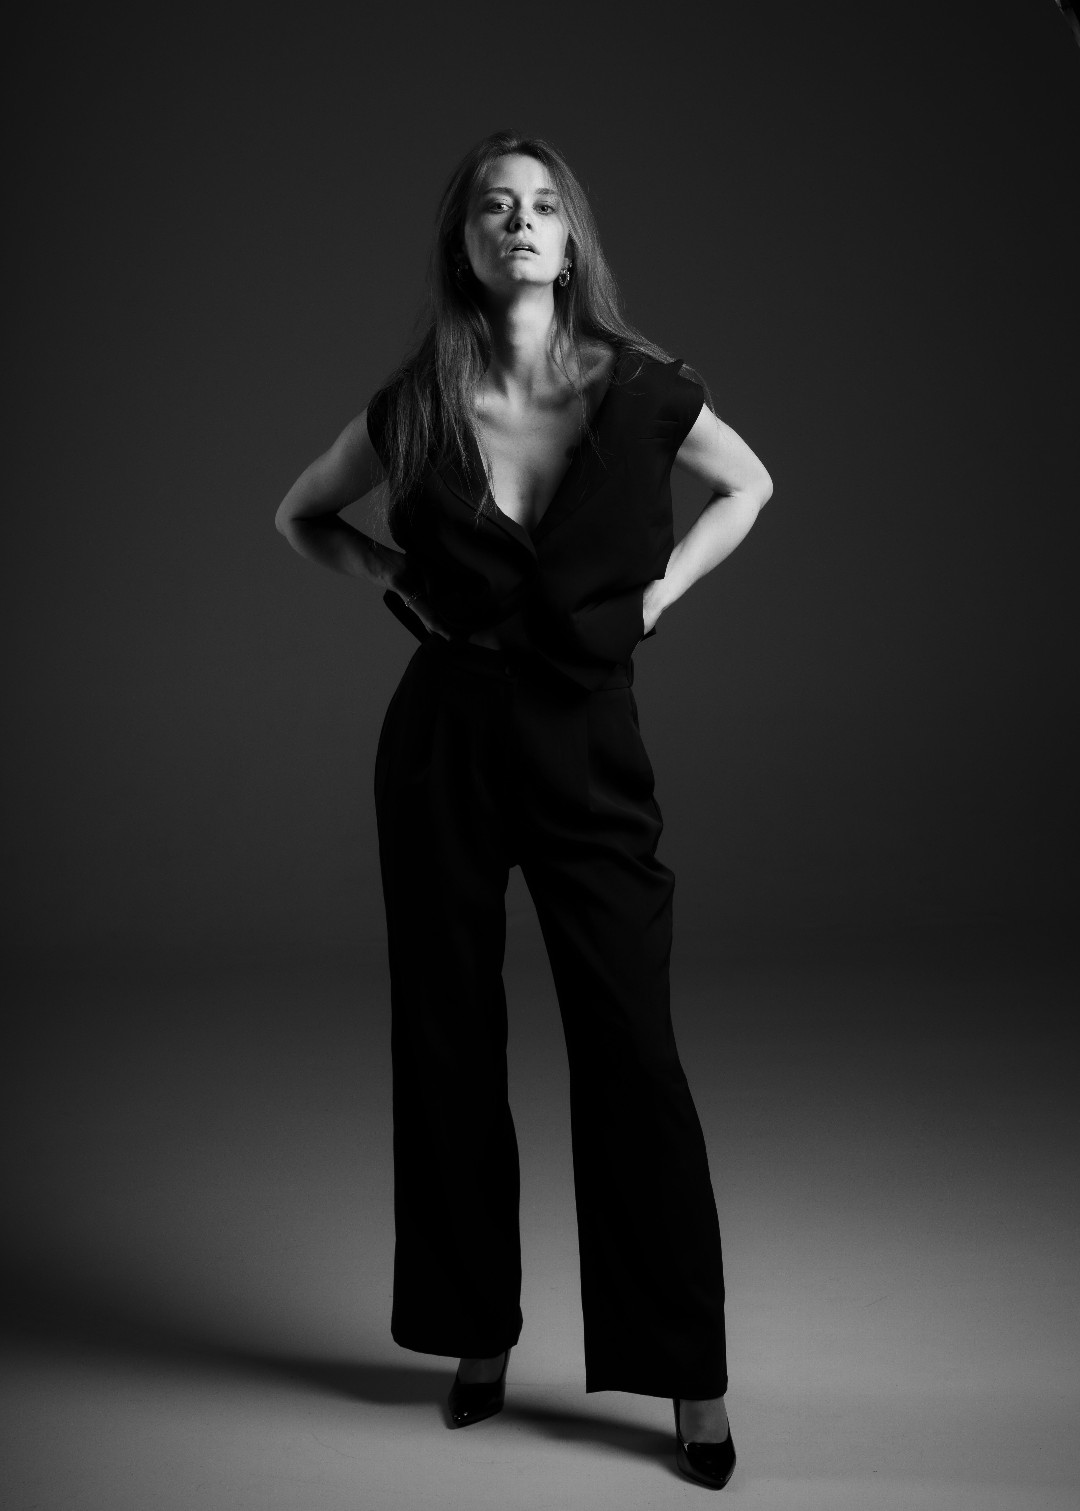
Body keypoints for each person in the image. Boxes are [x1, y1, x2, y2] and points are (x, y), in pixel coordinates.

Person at [275, 129, 773, 1492]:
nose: (520, 221)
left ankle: (688, 1370)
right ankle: (474, 1334)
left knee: (631, 1050)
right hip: (444, 739)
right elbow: (303, 514)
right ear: (466, 242)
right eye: (495, 206)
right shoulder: (417, 404)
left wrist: (656, 595)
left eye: (543, 204)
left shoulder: (645, 387)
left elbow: (750, 486)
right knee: (445, 1037)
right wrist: (393, 575)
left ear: (571, 239)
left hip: (587, 744)